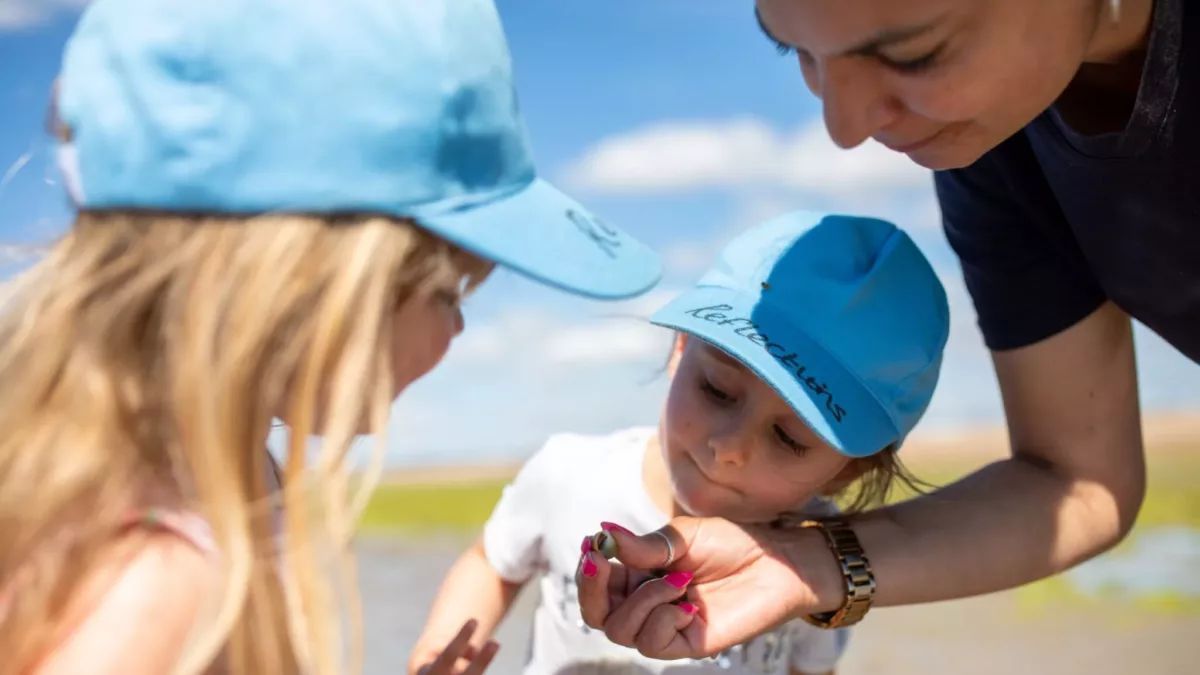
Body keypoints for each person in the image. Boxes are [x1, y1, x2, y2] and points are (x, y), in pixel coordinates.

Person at [0, 0, 663, 673]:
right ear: (310, 281)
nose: (458, 326)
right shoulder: (152, 593)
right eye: (443, 291)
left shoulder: (217, 484)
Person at [576, 0, 1194, 662]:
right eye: (800, 53)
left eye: (914, 54)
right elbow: (1077, 478)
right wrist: (799, 562)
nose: (844, 127)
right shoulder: (995, 148)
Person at [411, 211, 950, 675]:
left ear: (846, 471)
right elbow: (493, 562)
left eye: (789, 438)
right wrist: (441, 646)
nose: (730, 447)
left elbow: (811, 666)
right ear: (680, 350)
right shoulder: (571, 472)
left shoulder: (823, 555)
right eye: (716, 390)